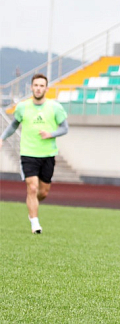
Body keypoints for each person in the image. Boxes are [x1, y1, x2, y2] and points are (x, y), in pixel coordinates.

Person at [0, 74, 69, 234]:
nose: (38, 88)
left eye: (41, 85)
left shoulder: (55, 107)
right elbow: (14, 125)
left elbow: (65, 128)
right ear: (31, 87)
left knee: (42, 192)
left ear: (46, 88)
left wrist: (51, 134)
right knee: (32, 187)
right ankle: (35, 223)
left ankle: (32, 205)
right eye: (36, 85)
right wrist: (2, 138)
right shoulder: (22, 107)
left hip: (48, 154)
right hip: (28, 153)